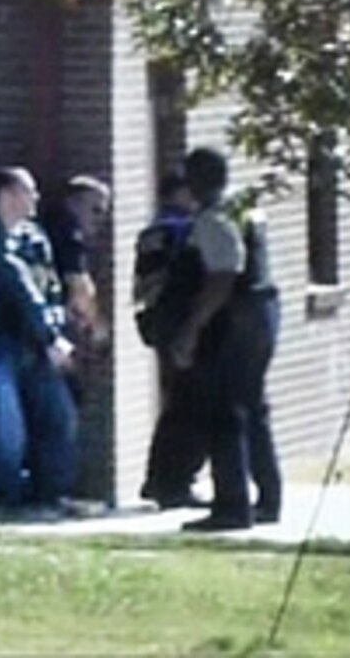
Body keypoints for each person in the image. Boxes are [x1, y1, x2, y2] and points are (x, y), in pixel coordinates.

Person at [170, 148, 282, 532]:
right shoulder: (246, 208)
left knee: (224, 412)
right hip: (265, 311)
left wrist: (192, 328)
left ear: (197, 181)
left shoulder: (213, 218)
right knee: (253, 407)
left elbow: (222, 277)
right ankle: (269, 499)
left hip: (237, 318)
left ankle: (232, 507)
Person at [0, 166, 77, 512]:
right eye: (28, 191)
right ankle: (2, 502)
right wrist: (53, 339)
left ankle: (51, 495)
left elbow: (50, 289)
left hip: (32, 347)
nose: (36, 198)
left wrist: (54, 331)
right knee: (8, 429)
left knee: (59, 416)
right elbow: (20, 290)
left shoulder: (34, 238)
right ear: (5, 196)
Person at [134, 170, 209, 509]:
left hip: (162, 325)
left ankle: (160, 480)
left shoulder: (152, 231)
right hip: (184, 328)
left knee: (175, 405)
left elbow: (144, 287)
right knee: (191, 408)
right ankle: (174, 481)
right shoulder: (185, 230)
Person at [41, 174, 112, 344]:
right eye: (95, 210)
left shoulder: (44, 226)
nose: (100, 221)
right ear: (73, 203)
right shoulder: (68, 235)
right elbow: (78, 282)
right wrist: (95, 323)